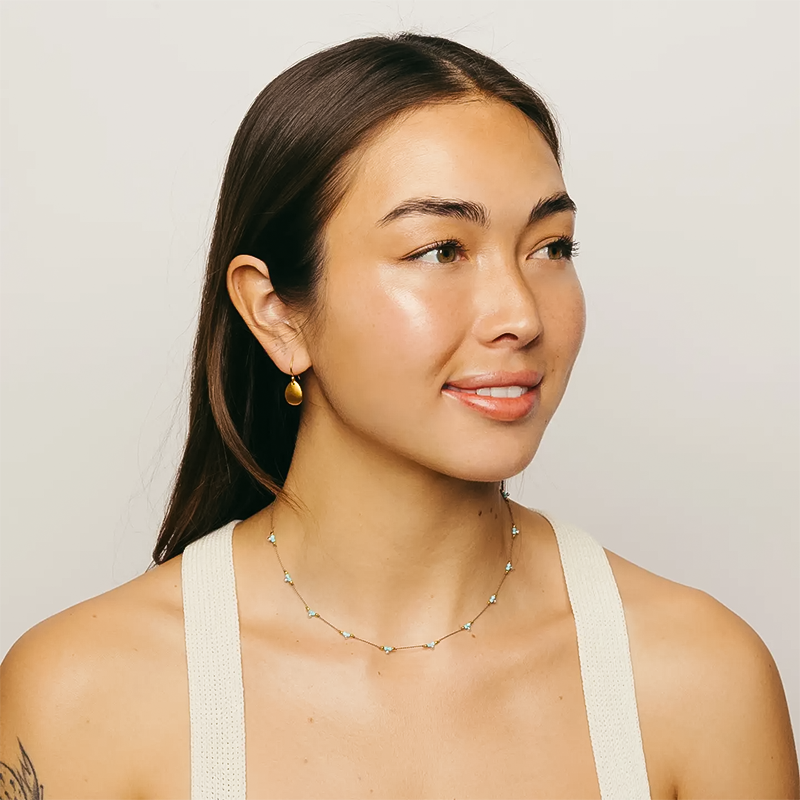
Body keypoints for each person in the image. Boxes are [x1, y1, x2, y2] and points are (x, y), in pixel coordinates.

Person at [1, 31, 797, 800]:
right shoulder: (85, 693)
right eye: (440, 251)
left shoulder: (698, 679)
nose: (521, 314)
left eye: (552, 247)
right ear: (276, 311)